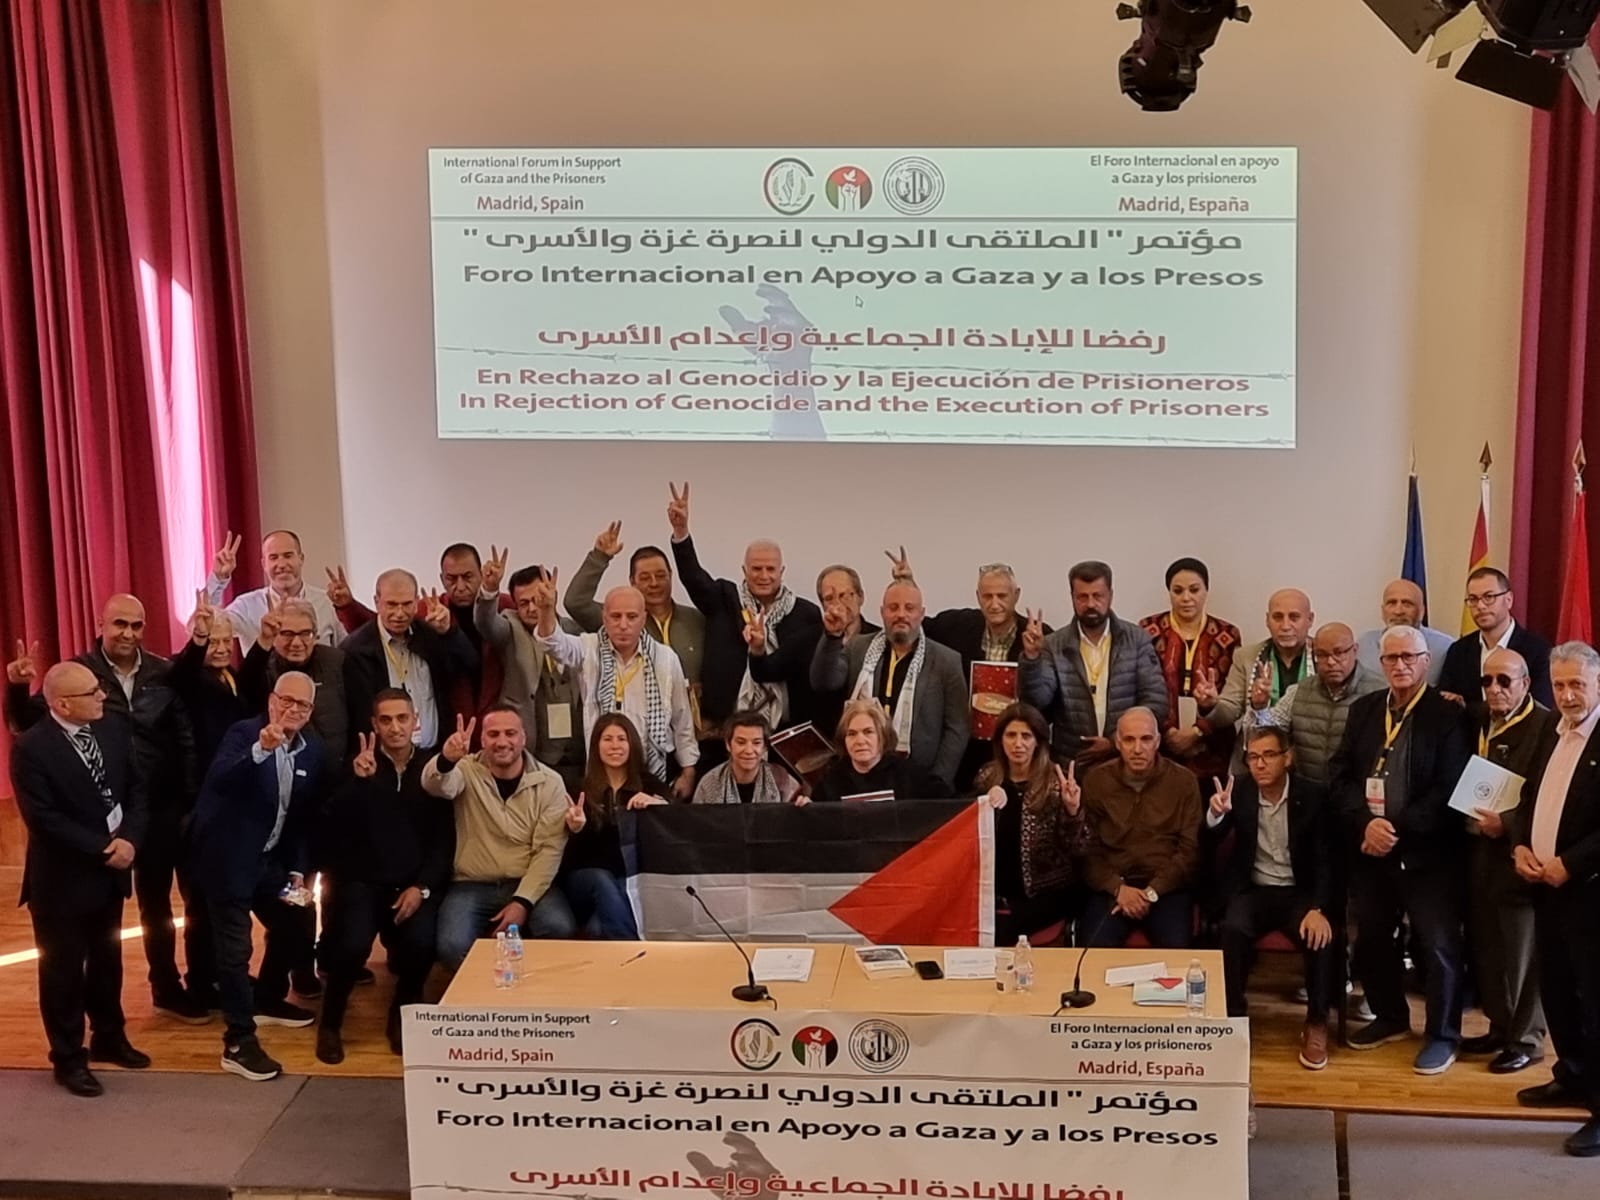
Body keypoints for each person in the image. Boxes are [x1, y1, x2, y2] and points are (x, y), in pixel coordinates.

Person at [5, 596, 202, 1023]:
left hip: (153, 808)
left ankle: (166, 987)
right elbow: (29, 722)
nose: (128, 633)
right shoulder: (77, 675)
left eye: (137, 625)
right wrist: (18, 688)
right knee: (85, 938)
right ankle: (80, 1039)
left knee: (157, 905)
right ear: (100, 624)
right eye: (120, 624)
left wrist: (187, 797)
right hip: (95, 822)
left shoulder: (161, 671)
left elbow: (184, 732)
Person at [1333, 625, 1471, 1074]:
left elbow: (1448, 788)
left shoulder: (1447, 714)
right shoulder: (1364, 710)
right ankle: (1390, 1016)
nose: (1400, 665)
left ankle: (1443, 1036)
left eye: (1409, 657)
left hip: (1427, 854)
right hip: (1370, 849)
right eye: (1391, 658)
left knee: (1437, 945)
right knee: (1372, 938)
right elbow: (1341, 775)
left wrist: (1393, 829)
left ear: (1426, 661)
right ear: (1381, 663)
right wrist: (1365, 823)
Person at [10, 662, 149, 1096]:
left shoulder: (110, 729)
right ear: (63, 704)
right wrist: (105, 848)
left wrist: (130, 839)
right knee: (63, 972)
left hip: (111, 874)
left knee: (108, 962)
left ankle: (109, 1036)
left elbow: (136, 789)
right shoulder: (32, 748)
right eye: (92, 692)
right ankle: (68, 1057)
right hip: (63, 881)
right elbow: (43, 818)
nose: (102, 696)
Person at [189, 672, 328, 1082]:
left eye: (302, 704)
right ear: (271, 700)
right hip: (227, 861)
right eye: (287, 701)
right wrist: (260, 751)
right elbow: (219, 781)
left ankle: (267, 998)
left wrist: (298, 870)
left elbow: (301, 818)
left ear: (311, 711)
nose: (293, 709)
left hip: (270, 864)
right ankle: (238, 1042)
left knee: (299, 915)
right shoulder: (244, 734)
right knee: (236, 952)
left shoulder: (312, 750)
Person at [315, 689, 452, 1064]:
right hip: (363, 883)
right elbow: (331, 824)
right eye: (386, 720)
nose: (395, 728)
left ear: (415, 722)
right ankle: (330, 1024)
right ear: (374, 725)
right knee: (351, 946)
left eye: (402, 718)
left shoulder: (432, 771)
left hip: (412, 885)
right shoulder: (356, 764)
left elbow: (444, 841)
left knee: (421, 944)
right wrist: (358, 782)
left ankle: (401, 1014)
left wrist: (422, 887)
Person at [1511, 641, 1600, 1156]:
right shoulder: (1551, 728)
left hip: (1590, 892)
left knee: (1596, 1000)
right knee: (1559, 992)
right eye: (1559, 684)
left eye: (1577, 685)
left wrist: (1572, 863)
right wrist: (1521, 845)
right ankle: (1572, 1075)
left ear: (1598, 684)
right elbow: (1528, 796)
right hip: (1545, 887)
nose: (1567, 695)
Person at [1205, 726, 1338, 1070]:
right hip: (1256, 889)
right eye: (1252, 757)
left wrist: (1319, 907)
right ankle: (1234, 1018)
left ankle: (1317, 1022)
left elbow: (1327, 860)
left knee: (1320, 936)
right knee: (1232, 929)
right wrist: (1217, 814)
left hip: (1299, 892)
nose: (1260, 764)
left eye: (1268, 755)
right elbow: (1210, 841)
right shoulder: (1240, 791)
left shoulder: (1313, 795)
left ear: (1287, 758)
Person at [666, 481, 823, 737]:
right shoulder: (724, 598)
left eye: (770, 569)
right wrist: (681, 531)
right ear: (744, 570)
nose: (764, 575)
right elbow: (693, 577)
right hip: (726, 728)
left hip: (786, 731)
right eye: (756, 569)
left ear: (782, 571)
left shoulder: (806, 614)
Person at [424, 707, 573, 967]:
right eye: (493, 734)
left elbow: (549, 851)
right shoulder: (466, 770)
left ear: (524, 737)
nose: (502, 742)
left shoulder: (550, 782)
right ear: (482, 739)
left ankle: (530, 987)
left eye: (510, 733)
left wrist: (522, 901)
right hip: (472, 883)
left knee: (559, 928)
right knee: (451, 947)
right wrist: (446, 759)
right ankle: (488, 989)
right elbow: (436, 785)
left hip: (527, 880)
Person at [1463, 648, 1552, 1074]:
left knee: (1522, 954)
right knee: (1488, 947)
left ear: (1526, 683)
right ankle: (1500, 1026)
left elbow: (1550, 795)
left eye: (1504, 680)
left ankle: (1527, 1039)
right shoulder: (1479, 718)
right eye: (1487, 680)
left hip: (1520, 851)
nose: (1494, 689)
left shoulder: (1547, 726)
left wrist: (1510, 823)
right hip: (1478, 850)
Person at [533, 574, 700, 798]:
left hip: (650, 770)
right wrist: (546, 611)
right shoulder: (589, 647)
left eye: (631, 617)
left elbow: (682, 719)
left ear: (643, 618)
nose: (623, 625)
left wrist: (688, 771)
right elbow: (554, 644)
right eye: (615, 616)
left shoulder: (665, 658)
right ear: (604, 617)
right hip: (601, 769)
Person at [811, 580, 969, 787]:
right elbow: (824, 682)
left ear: (922, 614)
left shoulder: (946, 661)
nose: (901, 614)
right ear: (882, 612)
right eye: (893, 608)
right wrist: (832, 637)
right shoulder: (858, 648)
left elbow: (957, 729)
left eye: (909, 608)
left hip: (919, 782)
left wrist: (938, 781)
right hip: (859, 776)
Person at [330, 542, 510, 720]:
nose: (460, 586)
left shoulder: (505, 605)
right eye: (451, 579)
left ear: (481, 574)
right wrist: (348, 607)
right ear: (442, 579)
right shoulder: (429, 610)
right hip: (449, 715)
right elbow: (380, 628)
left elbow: (472, 661)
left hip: (498, 710)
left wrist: (450, 630)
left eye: (467, 576)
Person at [911, 558, 1047, 788]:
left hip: (1017, 752)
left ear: (1016, 595)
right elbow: (914, 623)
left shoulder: (1038, 635)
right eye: (987, 596)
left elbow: (1044, 699)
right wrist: (908, 583)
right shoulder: (956, 626)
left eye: (1002, 596)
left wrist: (1033, 656)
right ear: (978, 597)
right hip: (968, 752)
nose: (994, 604)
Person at [1019, 561, 1167, 765]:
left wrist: (1115, 741)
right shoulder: (1053, 644)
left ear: (1110, 596)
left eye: (1097, 596)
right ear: (1072, 598)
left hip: (1125, 761)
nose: (1090, 604)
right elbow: (1037, 702)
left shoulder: (1137, 640)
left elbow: (1156, 701)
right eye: (1082, 597)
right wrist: (1032, 658)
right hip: (1072, 760)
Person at [1078, 707, 1202, 948]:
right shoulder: (1096, 780)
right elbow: (1087, 849)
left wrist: (1152, 892)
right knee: (1092, 953)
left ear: (1157, 742)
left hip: (1167, 888)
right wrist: (1118, 889)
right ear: (1117, 743)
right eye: (1129, 740)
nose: (1137, 749)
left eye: (1146, 739)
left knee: (1176, 955)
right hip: (1113, 887)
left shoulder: (1184, 782)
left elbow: (1190, 851)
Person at [973, 703, 1089, 946]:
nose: (1018, 744)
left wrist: (1072, 811)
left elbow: (1079, 850)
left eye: (1026, 736)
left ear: (1038, 742)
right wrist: (982, 802)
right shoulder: (987, 778)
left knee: (1001, 932)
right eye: (1011, 735)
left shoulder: (1057, 783)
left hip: (1049, 894)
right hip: (995, 892)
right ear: (1000, 741)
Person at [474, 550, 586, 791]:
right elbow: (486, 623)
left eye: (538, 599)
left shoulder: (575, 630)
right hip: (535, 751)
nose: (532, 608)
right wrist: (489, 590)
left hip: (578, 752)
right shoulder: (511, 628)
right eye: (524, 603)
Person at [565, 522, 708, 711]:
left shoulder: (696, 619)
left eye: (661, 576)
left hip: (692, 721)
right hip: (639, 720)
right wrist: (599, 557)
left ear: (671, 576)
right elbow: (575, 602)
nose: (654, 583)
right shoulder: (621, 622)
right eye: (645, 578)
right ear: (632, 582)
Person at [551, 713, 670, 939]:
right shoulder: (579, 789)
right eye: (607, 739)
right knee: (601, 879)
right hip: (583, 880)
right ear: (596, 745)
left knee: (597, 929)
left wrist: (659, 806)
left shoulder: (649, 784)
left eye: (621, 739)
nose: (615, 745)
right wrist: (575, 829)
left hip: (629, 878)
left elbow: (674, 824)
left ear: (632, 744)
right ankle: (633, 950)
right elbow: (567, 855)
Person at [341, 568, 478, 751]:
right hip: (384, 758)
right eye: (391, 604)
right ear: (377, 602)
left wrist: (449, 632)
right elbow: (357, 714)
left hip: (433, 752)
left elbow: (470, 665)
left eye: (406, 604)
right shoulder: (355, 650)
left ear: (416, 602)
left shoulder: (430, 634)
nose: (400, 613)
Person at [1237, 623, 1386, 784]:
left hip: (1358, 790)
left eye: (1339, 653)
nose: (1331, 662)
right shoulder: (1299, 691)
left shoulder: (1380, 691)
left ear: (1355, 650)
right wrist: (1259, 707)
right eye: (1322, 655)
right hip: (1308, 790)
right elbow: (1266, 733)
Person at [1139, 557, 1242, 781]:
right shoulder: (1148, 630)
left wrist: (1198, 731)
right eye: (1178, 591)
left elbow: (1233, 695)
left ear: (1206, 590)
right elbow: (1143, 687)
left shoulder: (1227, 634)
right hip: (1160, 740)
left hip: (1212, 743)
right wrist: (1168, 732)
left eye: (1194, 590)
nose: (1186, 598)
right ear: (1169, 592)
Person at [1194, 588, 1316, 765]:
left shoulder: (1324, 656)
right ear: (1267, 620)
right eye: (1277, 617)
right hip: (1256, 757)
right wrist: (1209, 705)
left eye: (1294, 617)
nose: (1285, 626)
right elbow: (1230, 710)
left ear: (1310, 619)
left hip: (1308, 757)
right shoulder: (1246, 657)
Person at [237, 595, 349, 764]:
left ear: (316, 635)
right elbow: (244, 689)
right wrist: (264, 640)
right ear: (275, 636)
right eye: (287, 634)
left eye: (305, 633)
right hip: (281, 767)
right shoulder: (262, 665)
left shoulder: (337, 662)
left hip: (334, 767)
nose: (296, 642)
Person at [205, 528, 343, 649]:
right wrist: (218, 578)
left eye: (288, 556)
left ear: (301, 559)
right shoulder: (246, 606)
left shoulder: (327, 603)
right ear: (264, 564)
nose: (281, 564)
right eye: (273, 557)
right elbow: (208, 624)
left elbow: (347, 652)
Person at [1439, 567, 1554, 706]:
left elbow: (1539, 708)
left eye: (1489, 597)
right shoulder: (1458, 651)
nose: (1480, 606)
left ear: (1509, 600)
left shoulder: (1539, 651)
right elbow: (1446, 703)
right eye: (1473, 599)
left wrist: (1466, 707)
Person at [811, 699, 951, 803]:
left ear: (883, 736)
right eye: (852, 734)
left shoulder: (907, 774)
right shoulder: (832, 779)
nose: (860, 741)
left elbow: (949, 803)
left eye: (868, 732)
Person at [811, 564, 879, 739]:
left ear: (861, 597)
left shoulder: (880, 639)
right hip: (824, 741)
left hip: (868, 742)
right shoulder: (809, 641)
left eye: (844, 595)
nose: (838, 604)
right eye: (829, 598)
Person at [693, 711, 806, 805]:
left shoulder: (782, 779)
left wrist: (805, 807)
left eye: (756, 743)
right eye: (741, 742)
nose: (749, 750)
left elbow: (797, 818)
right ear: (728, 744)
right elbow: (697, 822)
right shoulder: (709, 784)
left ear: (765, 747)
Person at [1356, 579, 1452, 686]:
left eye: (1407, 604)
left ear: (1422, 611)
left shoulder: (1445, 647)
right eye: (1392, 603)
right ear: (1383, 611)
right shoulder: (1363, 645)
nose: (1398, 611)